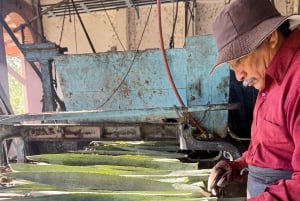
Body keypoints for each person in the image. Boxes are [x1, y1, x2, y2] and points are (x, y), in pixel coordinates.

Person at [207, 0, 300, 200]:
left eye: (240, 60)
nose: (238, 75)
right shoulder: (268, 78)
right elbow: (273, 149)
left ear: (272, 38)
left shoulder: (297, 83)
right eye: (232, 66)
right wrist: (238, 165)